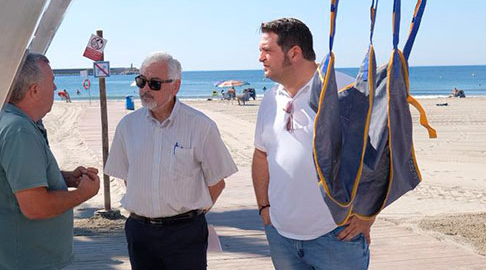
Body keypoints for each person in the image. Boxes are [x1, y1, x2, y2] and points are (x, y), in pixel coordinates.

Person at [253, 18, 371, 270]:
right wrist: (264, 209)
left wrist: (367, 217)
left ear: (294, 53)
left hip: (336, 238)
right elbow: (261, 155)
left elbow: (381, 157)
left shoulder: (346, 90)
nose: (260, 58)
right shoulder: (270, 98)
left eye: (266, 51)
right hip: (281, 236)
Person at [105, 52, 238, 270]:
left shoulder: (200, 126)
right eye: (141, 82)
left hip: (185, 234)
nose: (145, 89)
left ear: (175, 86)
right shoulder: (127, 126)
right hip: (140, 233)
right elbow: (128, 178)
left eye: (154, 83)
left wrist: (188, 217)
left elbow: (217, 182)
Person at [0, 53, 100, 270]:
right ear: (34, 90)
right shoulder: (18, 131)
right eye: (52, 82)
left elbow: (10, 179)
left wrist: (65, 178)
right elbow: (35, 207)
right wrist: (83, 194)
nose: (56, 87)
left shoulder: (2, 120)